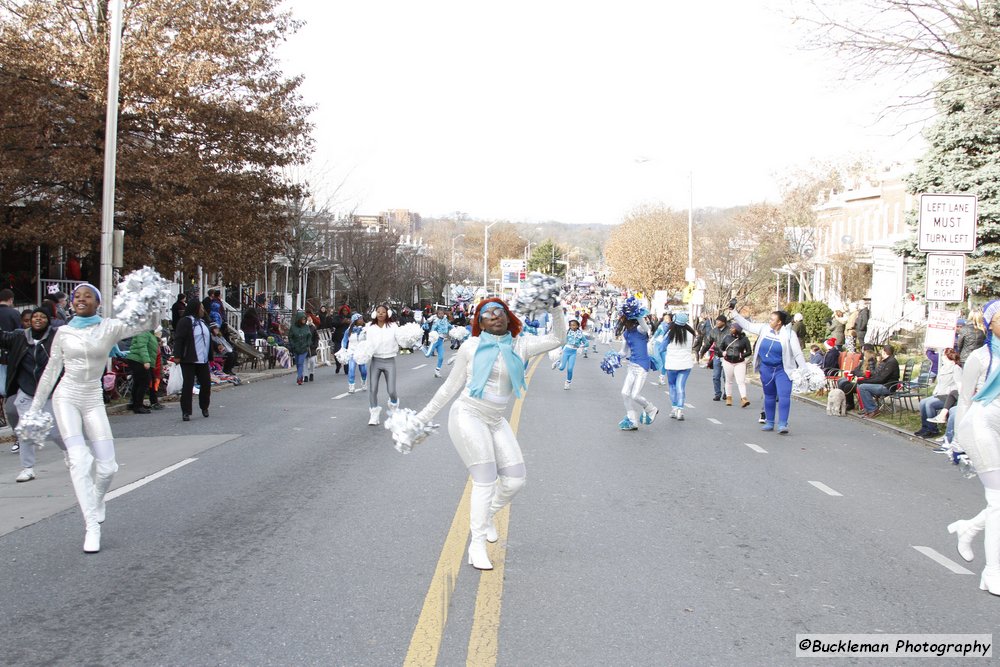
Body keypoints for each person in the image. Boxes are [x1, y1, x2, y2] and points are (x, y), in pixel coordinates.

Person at [411, 297, 565, 570]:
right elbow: (448, 389)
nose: (495, 316)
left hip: (495, 420)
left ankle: (488, 514)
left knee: (516, 481)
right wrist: (421, 418)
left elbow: (557, 338)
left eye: (500, 312)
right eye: (487, 313)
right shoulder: (471, 347)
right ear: (479, 322)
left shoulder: (522, 345)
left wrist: (554, 308)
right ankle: (477, 545)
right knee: (485, 480)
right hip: (467, 415)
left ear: (508, 317)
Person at [28, 283, 159, 552]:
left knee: (108, 466)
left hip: (92, 399)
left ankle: (98, 498)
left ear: (98, 303)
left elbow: (146, 324)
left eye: (88, 296)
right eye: (76, 296)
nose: (80, 299)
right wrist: (35, 407)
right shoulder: (62, 332)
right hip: (66, 397)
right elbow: (52, 371)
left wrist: (153, 299)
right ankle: (91, 527)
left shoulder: (109, 327)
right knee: (78, 459)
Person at [946, 300, 1000, 594]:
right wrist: (957, 441)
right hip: (981, 427)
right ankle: (992, 572)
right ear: (989, 324)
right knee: (998, 501)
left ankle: (970, 528)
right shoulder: (981, 357)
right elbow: (965, 400)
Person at [0, 306, 65, 482]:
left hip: (50, 392)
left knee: (55, 432)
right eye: (34, 316)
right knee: (26, 431)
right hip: (26, 392)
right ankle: (27, 468)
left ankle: (70, 453)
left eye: (42, 316)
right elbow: (2, 337)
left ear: (48, 320)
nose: (37, 319)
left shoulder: (57, 337)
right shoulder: (20, 337)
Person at [730, 307, 805, 434]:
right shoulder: (764, 328)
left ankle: (783, 424)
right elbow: (748, 325)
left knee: (783, 396)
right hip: (766, 369)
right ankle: (769, 422)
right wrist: (735, 314)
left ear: (779, 322)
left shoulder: (789, 334)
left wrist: (804, 369)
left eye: (772, 319)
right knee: (769, 396)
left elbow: (797, 353)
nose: (769, 321)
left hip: (783, 370)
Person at [616, 305, 658, 430]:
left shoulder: (640, 329)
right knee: (624, 393)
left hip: (642, 366)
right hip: (632, 365)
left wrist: (637, 313)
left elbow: (645, 326)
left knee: (635, 395)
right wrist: (614, 358)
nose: (621, 319)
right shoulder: (626, 334)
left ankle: (651, 408)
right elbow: (624, 352)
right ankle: (632, 419)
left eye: (623, 317)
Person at [172, 300, 213, 422]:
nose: (203, 310)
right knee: (188, 385)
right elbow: (179, 339)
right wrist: (177, 355)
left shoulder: (203, 322)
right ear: (195, 308)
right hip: (189, 358)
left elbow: (208, 338)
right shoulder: (185, 322)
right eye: (201, 308)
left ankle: (204, 406)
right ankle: (186, 411)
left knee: (206, 384)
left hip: (203, 359)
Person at [365, 305, 399, 425]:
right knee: (373, 389)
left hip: (390, 360)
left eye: (383, 312)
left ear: (387, 314)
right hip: (376, 361)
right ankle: (374, 414)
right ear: (375, 314)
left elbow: (400, 339)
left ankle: (394, 406)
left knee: (391, 390)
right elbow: (367, 343)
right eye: (378, 312)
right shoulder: (370, 327)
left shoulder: (393, 326)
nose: (380, 314)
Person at [915, 348, 961, 438]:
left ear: (948, 356)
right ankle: (925, 427)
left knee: (929, 404)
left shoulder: (956, 368)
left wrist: (951, 391)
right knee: (922, 402)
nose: (942, 357)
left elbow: (959, 384)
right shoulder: (943, 368)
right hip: (939, 394)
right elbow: (939, 382)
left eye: (943, 355)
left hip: (948, 396)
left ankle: (933, 429)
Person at [663, 313, 695, 420]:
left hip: (671, 364)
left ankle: (674, 408)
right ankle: (680, 411)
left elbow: (661, 348)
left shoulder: (670, 333)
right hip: (686, 364)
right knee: (680, 386)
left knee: (672, 386)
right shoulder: (690, 333)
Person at [855, 344, 901, 417]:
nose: (880, 352)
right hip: (884, 384)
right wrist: (866, 380)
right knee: (861, 385)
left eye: (882, 351)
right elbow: (877, 376)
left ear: (884, 352)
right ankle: (867, 408)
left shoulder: (891, 362)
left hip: (888, 387)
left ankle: (873, 409)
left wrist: (865, 381)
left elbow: (881, 379)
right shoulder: (886, 361)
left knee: (863, 387)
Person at [124, 327, 158, 414]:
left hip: (138, 359)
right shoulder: (144, 332)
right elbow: (142, 346)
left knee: (138, 382)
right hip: (139, 360)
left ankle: (136, 404)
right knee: (144, 382)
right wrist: (146, 360)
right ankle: (138, 406)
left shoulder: (148, 333)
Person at [720, 322, 753, 408]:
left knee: (741, 381)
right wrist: (722, 352)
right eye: (730, 327)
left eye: (733, 327)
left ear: (738, 330)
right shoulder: (727, 338)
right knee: (729, 380)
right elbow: (720, 347)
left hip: (740, 362)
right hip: (728, 361)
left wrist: (742, 355)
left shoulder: (744, 339)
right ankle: (729, 398)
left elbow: (749, 351)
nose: (730, 329)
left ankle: (744, 398)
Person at [699, 315, 728, 401]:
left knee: (726, 376)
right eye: (716, 321)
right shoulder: (714, 331)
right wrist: (702, 351)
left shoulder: (729, 331)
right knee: (716, 376)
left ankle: (726, 393)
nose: (717, 323)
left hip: (727, 357)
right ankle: (717, 394)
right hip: (717, 356)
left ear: (724, 322)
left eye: (719, 321)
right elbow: (708, 342)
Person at [553, 318, 587, 389]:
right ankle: (557, 363)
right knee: (561, 368)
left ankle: (568, 382)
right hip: (566, 351)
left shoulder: (580, 334)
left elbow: (586, 343)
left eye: (574, 325)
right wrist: (561, 350)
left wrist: (582, 346)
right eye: (571, 325)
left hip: (573, 352)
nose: (573, 327)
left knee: (570, 369)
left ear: (577, 326)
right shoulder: (567, 333)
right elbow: (563, 342)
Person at [423, 307, 452, 378]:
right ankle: (420, 346)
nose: (441, 315)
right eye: (439, 313)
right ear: (437, 314)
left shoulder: (445, 321)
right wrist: (426, 326)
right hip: (435, 340)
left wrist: (456, 329)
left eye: (442, 313)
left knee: (441, 357)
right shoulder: (436, 321)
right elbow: (432, 330)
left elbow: (450, 326)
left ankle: (437, 371)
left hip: (441, 341)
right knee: (427, 355)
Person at [342, 313, 368, 393]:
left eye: (362, 319)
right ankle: (351, 386)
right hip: (352, 352)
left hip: (361, 352)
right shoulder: (349, 330)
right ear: (355, 321)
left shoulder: (365, 329)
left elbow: (370, 339)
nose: (361, 320)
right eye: (360, 319)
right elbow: (344, 340)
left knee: (363, 370)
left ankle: (364, 381)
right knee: (351, 369)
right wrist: (343, 349)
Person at [287, 311, 312, 386]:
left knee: (301, 362)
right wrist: (292, 344)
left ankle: (299, 378)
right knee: (298, 363)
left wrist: (308, 344)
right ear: (299, 319)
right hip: (296, 347)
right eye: (302, 319)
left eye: (305, 319)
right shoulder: (293, 327)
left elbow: (309, 336)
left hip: (304, 348)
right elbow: (290, 336)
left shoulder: (306, 327)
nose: (304, 321)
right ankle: (300, 374)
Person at [331, 305, 351, 374]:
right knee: (337, 353)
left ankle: (346, 369)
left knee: (347, 353)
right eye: (344, 310)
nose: (345, 312)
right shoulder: (337, 317)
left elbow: (357, 324)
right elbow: (333, 324)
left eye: (346, 310)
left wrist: (350, 322)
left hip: (348, 338)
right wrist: (342, 322)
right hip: (338, 338)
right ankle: (338, 365)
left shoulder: (350, 317)